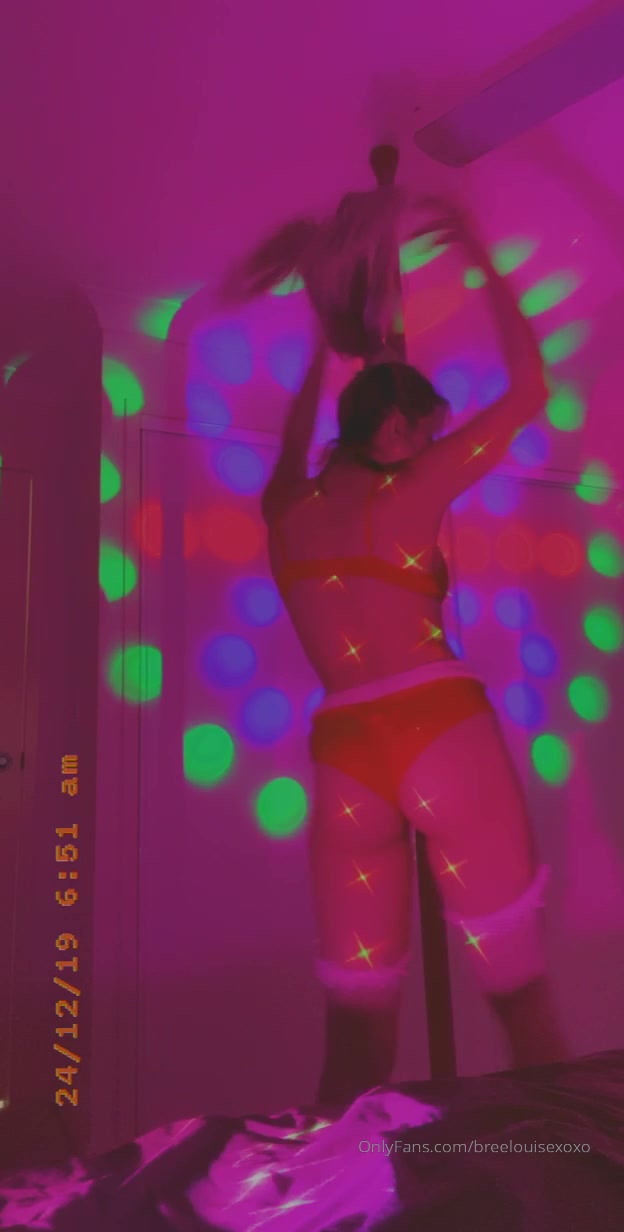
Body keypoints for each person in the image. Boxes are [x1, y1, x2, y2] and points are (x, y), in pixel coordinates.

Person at [261, 197, 567, 1106]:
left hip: (346, 758)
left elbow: (296, 440)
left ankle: (334, 1181)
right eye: (424, 429)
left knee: (356, 1044)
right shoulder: (411, 490)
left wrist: (322, 342)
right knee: (522, 1006)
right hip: (442, 737)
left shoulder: (285, 506)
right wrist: (480, 251)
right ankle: (567, 1159)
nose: (428, 444)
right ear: (396, 428)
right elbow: (531, 391)